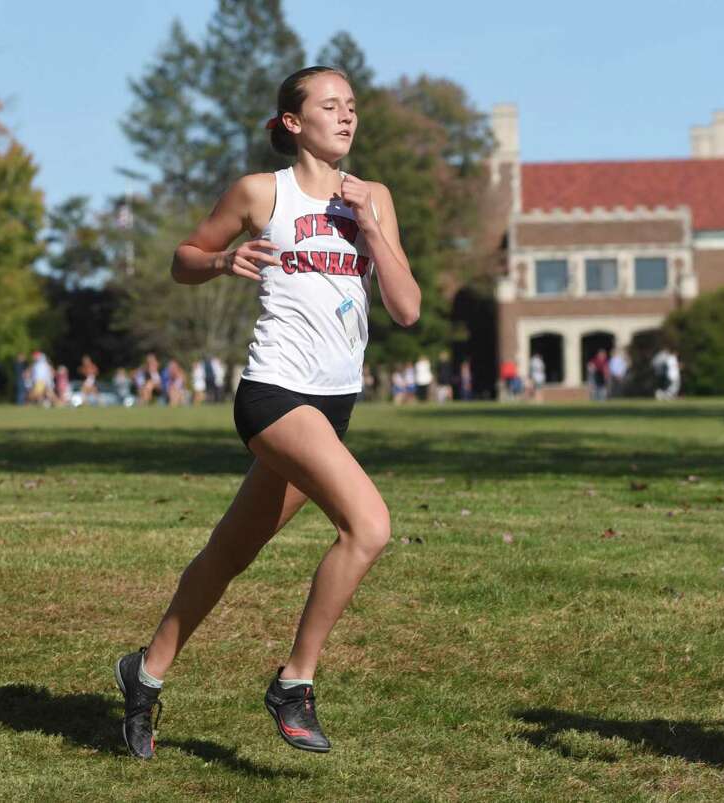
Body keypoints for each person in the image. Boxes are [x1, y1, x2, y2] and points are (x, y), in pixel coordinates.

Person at [115, 66, 420, 758]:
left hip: (334, 404)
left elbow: (407, 308)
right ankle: (294, 682)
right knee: (369, 525)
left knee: (230, 551)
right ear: (292, 122)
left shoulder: (374, 198)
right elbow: (182, 258)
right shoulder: (262, 192)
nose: (347, 116)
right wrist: (223, 262)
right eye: (330, 105)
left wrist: (371, 229)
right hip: (275, 393)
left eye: (352, 106)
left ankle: (146, 671)